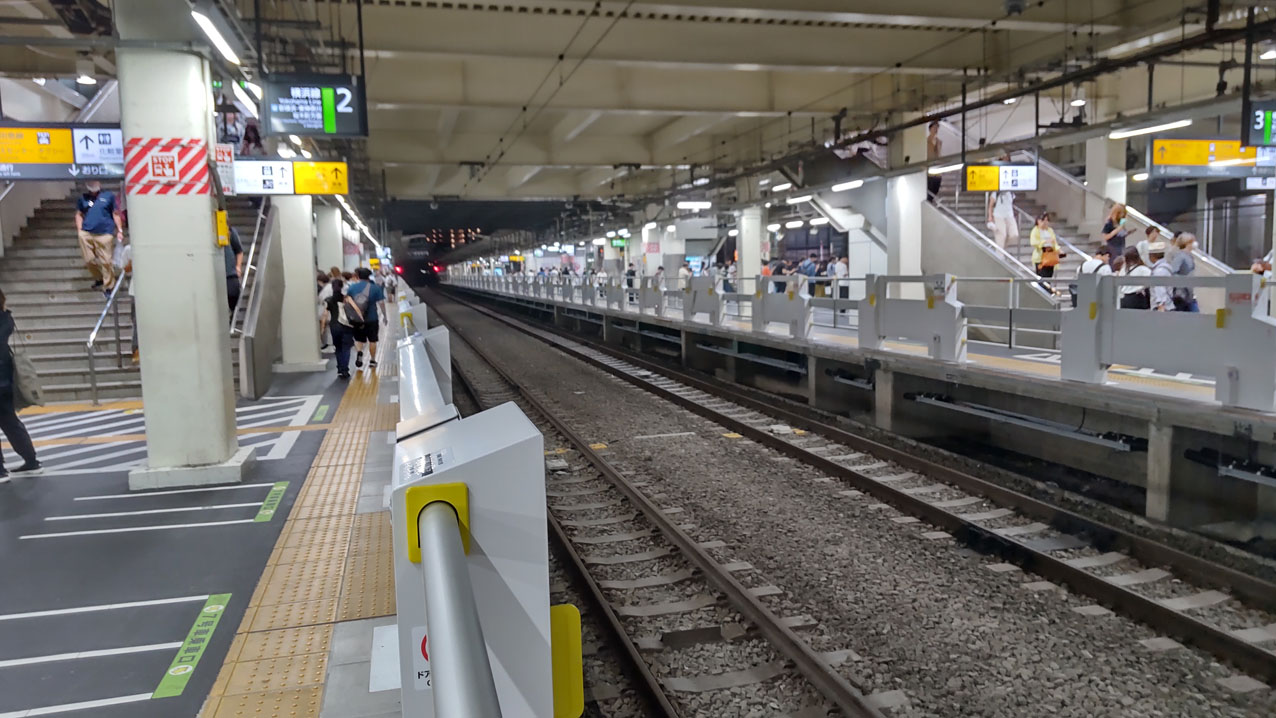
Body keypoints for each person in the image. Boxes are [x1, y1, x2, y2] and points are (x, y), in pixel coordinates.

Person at [0, 289, 40, 478]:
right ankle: (31, 460)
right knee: (10, 421)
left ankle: (1, 471)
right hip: (6, 378)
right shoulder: (6, 319)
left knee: (10, 421)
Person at [75, 181, 122, 293]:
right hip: (87, 233)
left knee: (106, 261)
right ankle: (99, 278)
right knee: (89, 260)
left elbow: (115, 213)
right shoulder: (83, 198)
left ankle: (109, 286)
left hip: (105, 233)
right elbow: (79, 214)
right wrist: (80, 230)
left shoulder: (108, 196)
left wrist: (119, 230)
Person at [346, 267, 386, 369]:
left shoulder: (352, 287)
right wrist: (385, 316)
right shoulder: (375, 288)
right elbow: (381, 303)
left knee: (359, 340)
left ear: (358, 276)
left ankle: (359, 352)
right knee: (372, 340)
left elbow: (347, 301)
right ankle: (372, 360)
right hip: (372, 318)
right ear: (369, 276)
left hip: (357, 319)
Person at [324, 278, 364, 380]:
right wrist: (361, 321)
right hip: (346, 325)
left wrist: (322, 329)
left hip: (334, 326)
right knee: (346, 348)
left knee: (338, 348)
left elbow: (324, 315)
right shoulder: (346, 298)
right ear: (342, 287)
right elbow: (356, 309)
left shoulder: (328, 300)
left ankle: (340, 368)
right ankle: (345, 370)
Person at [1169, 232, 1199, 312]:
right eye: (1192, 242)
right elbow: (1173, 272)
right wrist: (1183, 282)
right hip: (1182, 294)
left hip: (1188, 294)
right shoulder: (1180, 256)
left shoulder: (1189, 256)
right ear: (1187, 243)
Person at [1029, 212, 1062, 280]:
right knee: (1042, 277)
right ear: (1038, 221)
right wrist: (1044, 242)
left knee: (1049, 276)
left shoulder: (1050, 230)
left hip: (1050, 255)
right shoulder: (1035, 230)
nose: (1045, 222)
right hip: (1040, 257)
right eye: (1043, 220)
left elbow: (1054, 242)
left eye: (1046, 220)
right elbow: (1033, 242)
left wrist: (1058, 249)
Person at [1147, 241, 1174, 312]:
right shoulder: (1166, 267)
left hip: (1162, 307)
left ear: (1152, 256)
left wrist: (1161, 305)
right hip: (1168, 305)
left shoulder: (1159, 271)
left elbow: (1160, 289)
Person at [224, 226, 244, 322]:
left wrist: (238, 266)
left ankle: (231, 314)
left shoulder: (230, 231)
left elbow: (239, 251)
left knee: (233, 294)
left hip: (230, 274)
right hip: (219, 275)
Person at [926, 121, 943, 202]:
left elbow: (939, 154)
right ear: (930, 129)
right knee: (929, 188)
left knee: (935, 188)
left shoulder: (939, 142)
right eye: (934, 127)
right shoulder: (926, 141)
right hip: (929, 170)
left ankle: (931, 200)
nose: (936, 129)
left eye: (937, 128)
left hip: (937, 170)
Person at [316, 273, 333, 351]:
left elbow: (323, 300)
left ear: (320, 281)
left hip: (325, 311)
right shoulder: (329, 287)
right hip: (327, 310)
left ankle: (328, 344)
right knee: (327, 329)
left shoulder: (326, 289)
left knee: (326, 328)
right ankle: (328, 344)